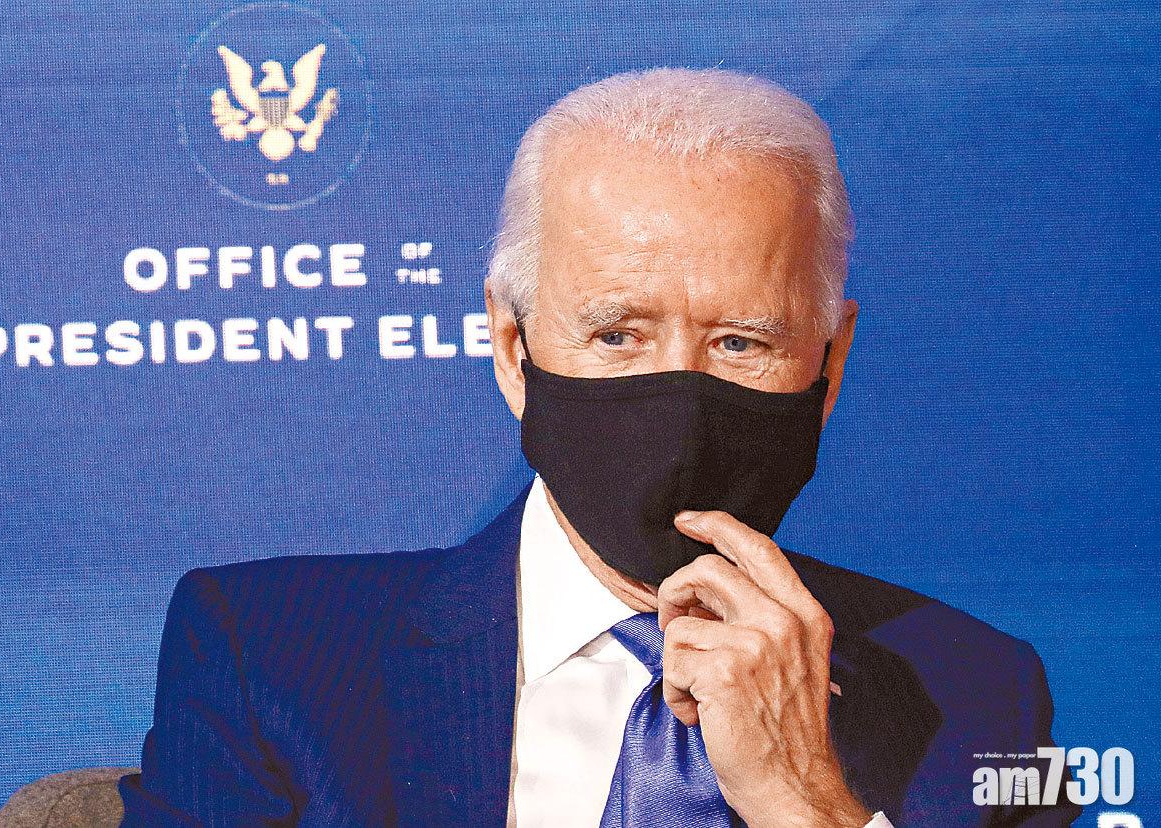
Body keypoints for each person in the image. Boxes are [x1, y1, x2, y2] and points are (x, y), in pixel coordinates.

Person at [119, 68, 1078, 826]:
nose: (680, 402)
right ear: (513, 350)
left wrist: (806, 804)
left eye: (741, 342)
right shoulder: (269, 657)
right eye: (618, 335)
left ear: (829, 368)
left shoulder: (982, 699)